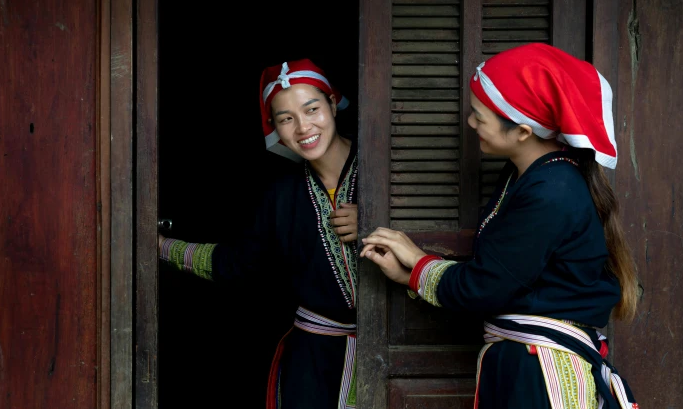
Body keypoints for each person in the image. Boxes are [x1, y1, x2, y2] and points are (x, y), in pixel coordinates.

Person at [361, 43, 640, 409]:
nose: (471, 122)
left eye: (479, 115)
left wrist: (417, 262)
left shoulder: (552, 192)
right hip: (524, 363)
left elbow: (486, 286)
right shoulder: (527, 174)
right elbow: (501, 274)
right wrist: (409, 273)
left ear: (522, 131)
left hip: (539, 373)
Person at [158, 59, 360, 409]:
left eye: (311, 109)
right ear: (275, 128)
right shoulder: (281, 196)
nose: (302, 127)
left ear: (331, 103)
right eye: (286, 118)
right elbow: (234, 263)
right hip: (311, 366)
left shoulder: (387, 172)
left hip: (392, 353)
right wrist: (160, 247)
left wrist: (375, 226)